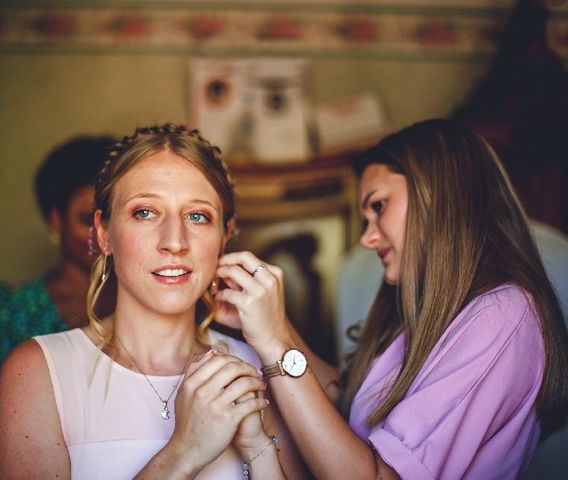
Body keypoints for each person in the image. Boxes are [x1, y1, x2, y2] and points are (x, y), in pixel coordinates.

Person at [213, 119, 568, 479]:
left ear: (441, 194)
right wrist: (270, 325)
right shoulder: (425, 310)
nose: (368, 238)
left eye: (379, 206)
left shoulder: (501, 316)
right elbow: (340, 401)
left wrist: (276, 342)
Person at [0, 124, 306, 479]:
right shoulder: (37, 372)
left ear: (224, 236)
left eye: (198, 216)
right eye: (145, 212)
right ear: (104, 233)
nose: (174, 241)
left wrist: (259, 447)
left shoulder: (259, 370)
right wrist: (183, 452)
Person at [0, 135, 116, 478]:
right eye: (87, 219)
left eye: (110, 218)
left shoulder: (144, 302)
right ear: (56, 220)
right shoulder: (13, 313)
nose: (101, 236)